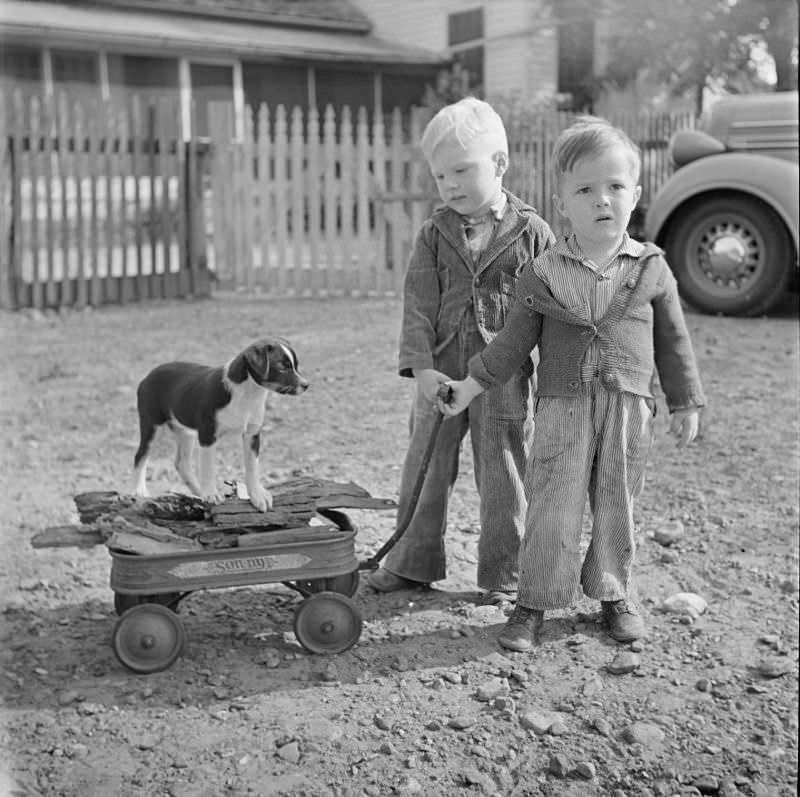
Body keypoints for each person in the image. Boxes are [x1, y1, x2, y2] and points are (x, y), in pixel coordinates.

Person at [439, 115, 706, 649]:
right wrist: (468, 386)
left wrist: (685, 403)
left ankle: (613, 594)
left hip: (630, 409)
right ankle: (533, 601)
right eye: (585, 189)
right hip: (562, 409)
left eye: (614, 186)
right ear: (562, 204)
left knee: (618, 504)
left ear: (636, 193)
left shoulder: (651, 266)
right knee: (552, 505)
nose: (601, 200)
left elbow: (674, 344)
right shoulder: (541, 272)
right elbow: (511, 346)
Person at [367, 97, 555, 604]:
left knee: (504, 472)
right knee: (424, 467)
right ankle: (411, 562)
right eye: (439, 176)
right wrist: (422, 369)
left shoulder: (533, 233)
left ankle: (505, 573)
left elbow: (550, 310)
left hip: (504, 376)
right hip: (443, 372)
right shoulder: (433, 234)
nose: (450, 185)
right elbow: (418, 302)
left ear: (499, 164)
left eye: (461, 171)